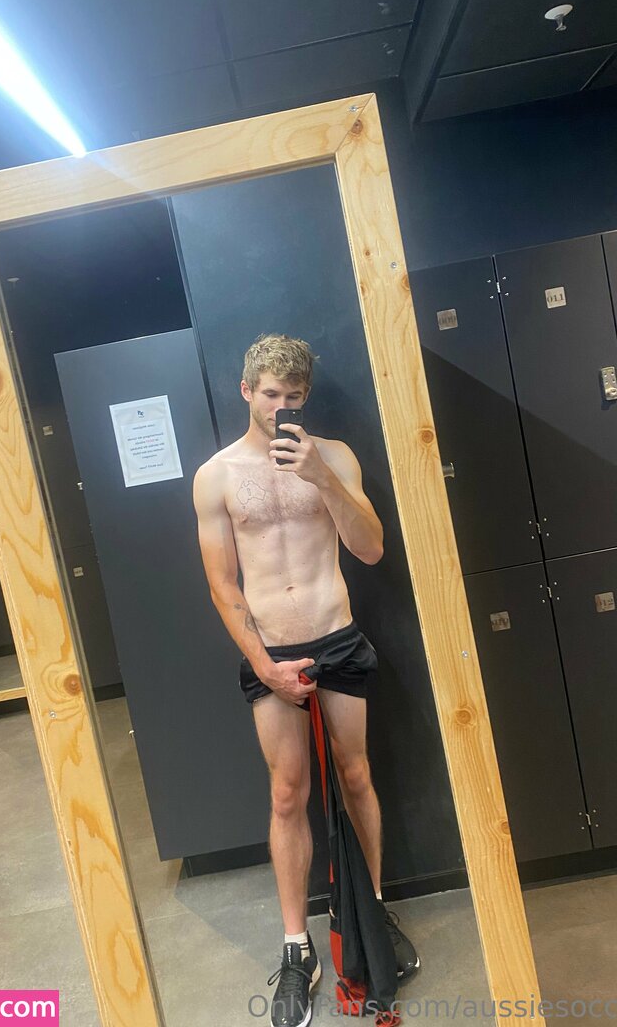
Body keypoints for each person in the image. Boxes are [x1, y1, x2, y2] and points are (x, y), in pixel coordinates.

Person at [192, 333, 419, 1027]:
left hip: (337, 636)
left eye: (292, 396)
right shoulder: (217, 476)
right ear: (246, 391)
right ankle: (298, 946)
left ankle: (369, 915)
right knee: (288, 794)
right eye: (269, 394)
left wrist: (321, 476)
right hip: (272, 651)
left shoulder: (335, 458)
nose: (280, 406)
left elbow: (371, 549)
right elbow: (223, 584)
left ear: (305, 396)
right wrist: (265, 666)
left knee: (356, 776)